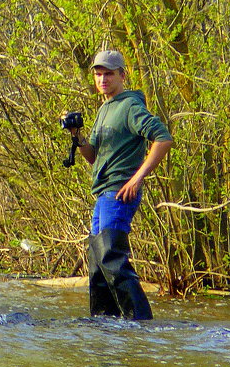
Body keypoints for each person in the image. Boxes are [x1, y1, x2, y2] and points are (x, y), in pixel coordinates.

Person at [67, 50, 174, 320]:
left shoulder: (130, 106)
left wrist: (137, 178)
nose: (103, 79)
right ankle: (104, 322)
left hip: (119, 192)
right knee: (97, 264)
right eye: (98, 74)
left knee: (111, 258)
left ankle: (139, 323)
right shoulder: (104, 108)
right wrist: (77, 136)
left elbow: (163, 138)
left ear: (122, 75)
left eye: (109, 74)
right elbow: (93, 156)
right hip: (102, 194)